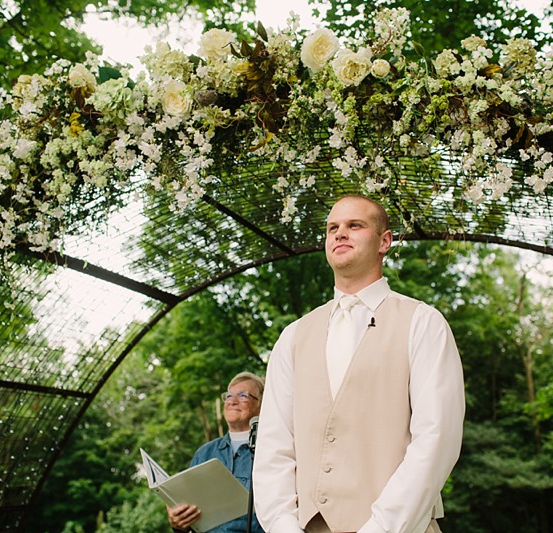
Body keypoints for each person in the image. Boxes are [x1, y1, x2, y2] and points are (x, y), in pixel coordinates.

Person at [253, 195, 465, 533]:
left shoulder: (423, 322)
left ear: (384, 241)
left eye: (355, 225)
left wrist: (381, 528)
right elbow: (273, 448)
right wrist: (283, 526)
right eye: (332, 228)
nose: (340, 234)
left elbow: (437, 438)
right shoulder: (293, 337)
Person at [168, 371, 266, 533]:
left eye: (243, 395)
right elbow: (189, 516)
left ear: (261, 406)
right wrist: (178, 522)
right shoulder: (204, 453)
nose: (232, 401)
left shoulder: (272, 450)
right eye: (228, 396)